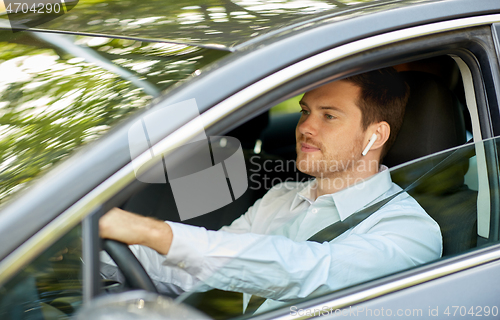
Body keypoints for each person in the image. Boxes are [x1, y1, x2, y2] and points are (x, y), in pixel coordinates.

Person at [99, 68, 442, 314]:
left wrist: (148, 230)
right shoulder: (281, 197)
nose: (305, 126)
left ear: (375, 136)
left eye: (329, 116)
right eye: (305, 112)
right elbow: (203, 272)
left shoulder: (410, 232)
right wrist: (89, 249)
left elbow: (307, 272)